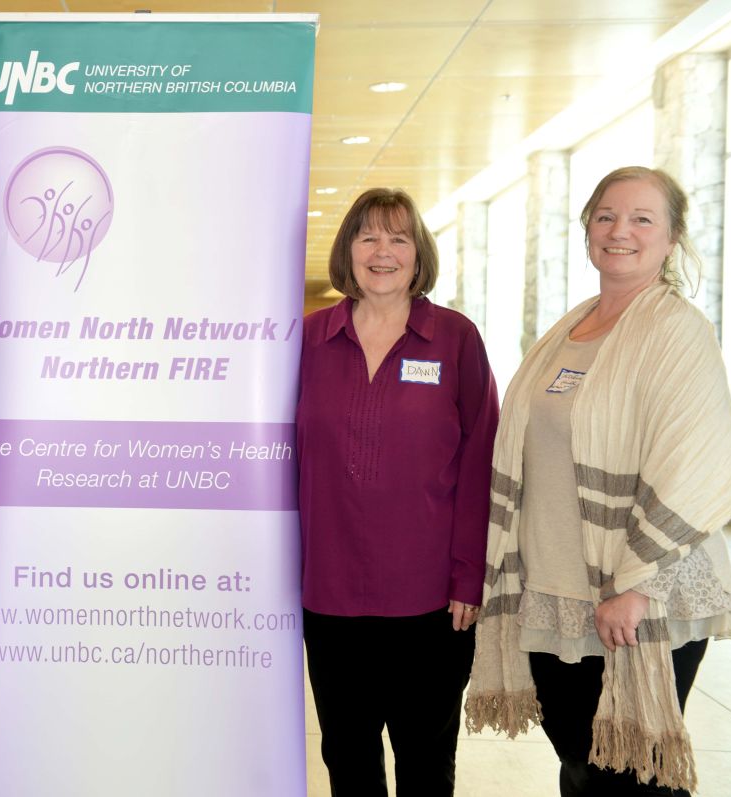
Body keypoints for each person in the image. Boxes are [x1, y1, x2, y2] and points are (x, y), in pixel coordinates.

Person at [466, 166, 731, 796]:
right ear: (587, 228)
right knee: (579, 764)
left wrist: (637, 588)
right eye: (606, 216)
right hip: (557, 591)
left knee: (633, 773)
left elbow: (698, 463)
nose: (621, 231)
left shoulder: (677, 330)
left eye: (643, 219)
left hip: (638, 591)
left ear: (672, 238)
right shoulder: (570, 329)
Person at [297, 187, 499, 796]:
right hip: (330, 596)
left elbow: (481, 459)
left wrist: (470, 576)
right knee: (349, 761)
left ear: (418, 253)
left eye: (398, 237)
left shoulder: (455, 339)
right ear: (348, 251)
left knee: (425, 762)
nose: (382, 251)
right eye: (368, 237)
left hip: (431, 602)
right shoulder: (305, 341)